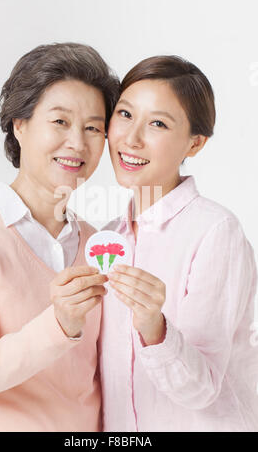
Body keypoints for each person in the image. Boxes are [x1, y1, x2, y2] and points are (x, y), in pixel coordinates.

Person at [0, 42, 120, 432]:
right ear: (20, 123)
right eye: (60, 122)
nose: (78, 143)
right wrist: (59, 324)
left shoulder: (101, 245)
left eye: (94, 128)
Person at [99, 55, 258, 432]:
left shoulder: (216, 231)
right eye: (124, 114)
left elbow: (202, 390)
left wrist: (155, 327)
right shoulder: (107, 238)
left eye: (157, 123)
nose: (131, 138)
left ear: (195, 143)